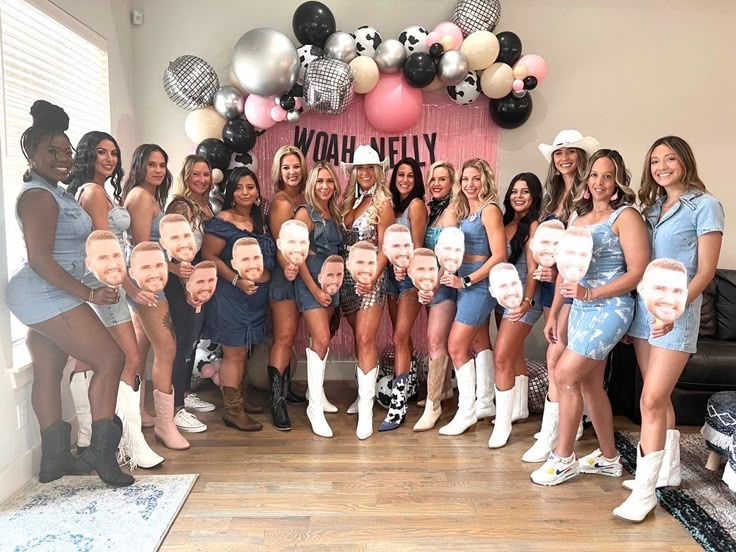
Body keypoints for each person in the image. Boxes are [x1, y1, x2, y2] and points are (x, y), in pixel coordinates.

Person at [6, 100, 132, 486]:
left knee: (49, 369)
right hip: (45, 289)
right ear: (31, 152)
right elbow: (42, 259)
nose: (63, 159)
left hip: (45, 290)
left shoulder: (53, 191)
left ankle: (53, 460)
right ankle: (101, 452)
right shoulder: (38, 197)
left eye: (67, 152)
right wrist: (89, 295)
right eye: (52, 152)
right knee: (111, 358)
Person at [615, 136, 723, 522]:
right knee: (657, 401)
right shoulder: (652, 209)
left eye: (670, 159)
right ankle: (668, 470)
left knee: (650, 401)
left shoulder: (705, 205)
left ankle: (645, 493)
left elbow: (706, 270)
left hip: (677, 316)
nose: (661, 166)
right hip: (646, 314)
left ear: (685, 161)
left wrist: (675, 311)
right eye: (655, 161)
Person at [531, 149, 649, 486]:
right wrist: (555, 313)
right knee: (590, 384)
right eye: (594, 175)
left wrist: (592, 295)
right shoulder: (576, 221)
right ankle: (610, 459)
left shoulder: (626, 216)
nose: (599, 182)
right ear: (587, 181)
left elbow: (637, 272)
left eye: (607, 176)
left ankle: (563, 458)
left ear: (617, 182)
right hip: (579, 307)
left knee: (565, 374)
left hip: (611, 308)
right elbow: (568, 275)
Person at [66, 131, 162, 469]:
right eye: (101, 153)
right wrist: (131, 288)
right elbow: (105, 250)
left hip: (104, 282)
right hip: (106, 284)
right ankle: (132, 444)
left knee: (87, 361)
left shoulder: (97, 190)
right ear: (87, 155)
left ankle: (88, 435)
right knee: (131, 358)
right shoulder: (92, 192)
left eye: (113, 153)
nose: (109, 159)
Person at [523, 129, 600, 463]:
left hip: (575, 286)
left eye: (570, 152)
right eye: (559, 153)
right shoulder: (553, 197)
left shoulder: (588, 195)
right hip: (552, 285)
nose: (564, 158)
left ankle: (555, 433)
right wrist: (543, 266)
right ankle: (568, 425)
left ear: (581, 157)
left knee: (557, 359)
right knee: (561, 359)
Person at [123, 144, 189, 450]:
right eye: (152, 164)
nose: (159, 170)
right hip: (147, 283)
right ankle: (166, 425)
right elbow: (142, 249)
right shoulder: (140, 197)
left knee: (139, 348)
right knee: (168, 348)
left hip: (150, 279)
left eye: (162, 164)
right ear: (140, 166)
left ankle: (135, 414)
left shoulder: (149, 197)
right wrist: (174, 269)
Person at [438, 159, 507, 436]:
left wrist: (466, 280)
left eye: (475, 179)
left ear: (485, 180)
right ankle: (486, 403)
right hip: (462, 282)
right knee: (479, 341)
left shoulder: (489, 210)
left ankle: (466, 412)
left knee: (456, 346)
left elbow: (499, 255)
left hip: (478, 285)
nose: (470, 184)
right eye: (465, 179)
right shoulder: (465, 210)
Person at [202, 167, 274, 432]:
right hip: (232, 296)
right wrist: (236, 280)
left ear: (257, 192)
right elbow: (209, 255)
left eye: (250, 187)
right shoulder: (224, 219)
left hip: (255, 298)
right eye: (239, 188)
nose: (245, 192)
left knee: (243, 351)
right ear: (231, 193)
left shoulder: (259, 220)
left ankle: (240, 400)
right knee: (234, 353)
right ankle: (233, 411)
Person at [339, 145, 394, 440]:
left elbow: (387, 246)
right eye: (359, 168)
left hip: (372, 275)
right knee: (357, 339)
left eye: (370, 168)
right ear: (353, 172)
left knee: (365, 337)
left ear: (379, 171)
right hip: (347, 278)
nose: (364, 173)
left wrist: (373, 277)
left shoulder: (383, 203)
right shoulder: (348, 201)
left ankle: (366, 411)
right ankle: (363, 394)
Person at [163, 156, 220, 431]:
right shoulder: (181, 206)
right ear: (186, 177)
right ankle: (175, 409)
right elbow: (173, 247)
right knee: (181, 345)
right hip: (182, 282)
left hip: (197, 279)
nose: (201, 179)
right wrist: (183, 280)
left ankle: (184, 393)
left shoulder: (204, 205)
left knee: (191, 342)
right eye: (195, 174)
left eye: (205, 174)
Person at [487, 173, 543, 449]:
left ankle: (503, 422)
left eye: (525, 192)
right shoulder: (506, 222)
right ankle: (519, 407)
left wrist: (528, 300)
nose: (518, 196)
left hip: (524, 298)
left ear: (534, 196)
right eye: (514, 191)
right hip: (502, 296)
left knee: (501, 356)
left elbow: (534, 269)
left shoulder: (534, 224)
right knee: (514, 353)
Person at [293, 161, 344, 437]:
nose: (325, 186)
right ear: (312, 184)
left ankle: (319, 394)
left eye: (329, 181)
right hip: (311, 283)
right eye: (320, 181)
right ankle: (314, 408)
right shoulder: (305, 212)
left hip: (331, 283)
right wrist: (314, 290)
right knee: (322, 338)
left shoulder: (332, 211)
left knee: (322, 340)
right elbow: (297, 256)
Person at [381, 157, 428, 431]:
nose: (405, 180)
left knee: (399, 336)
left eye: (411, 175)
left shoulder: (416, 205)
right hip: (390, 277)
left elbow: (419, 248)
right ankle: (409, 386)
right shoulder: (391, 205)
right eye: (401, 174)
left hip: (409, 279)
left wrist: (406, 269)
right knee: (403, 337)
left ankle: (397, 405)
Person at [267, 145, 309, 430]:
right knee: (283, 337)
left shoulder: (303, 198)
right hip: (285, 277)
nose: (292, 172)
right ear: (278, 173)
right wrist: (287, 267)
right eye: (286, 168)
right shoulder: (282, 202)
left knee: (292, 335)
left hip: (301, 275)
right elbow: (278, 243)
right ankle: (277, 402)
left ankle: (286, 388)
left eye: (296, 166)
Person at [414, 162, 458, 432]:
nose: (437, 184)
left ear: (452, 183)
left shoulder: (453, 210)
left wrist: (435, 284)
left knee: (434, 340)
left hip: (445, 284)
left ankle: (434, 406)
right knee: (438, 339)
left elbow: (450, 255)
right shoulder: (435, 209)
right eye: (433, 179)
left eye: (443, 179)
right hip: (434, 283)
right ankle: (442, 391)